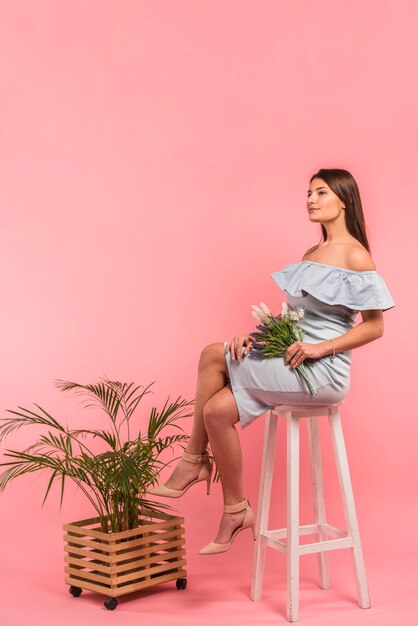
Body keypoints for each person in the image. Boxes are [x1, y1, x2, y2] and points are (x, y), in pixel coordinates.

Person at [149, 168, 395, 555]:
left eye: (321, 193)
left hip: (323, 373)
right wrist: (256, 336)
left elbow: (375, 327)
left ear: (344, 200)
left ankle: (193, 462)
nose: (310, 199)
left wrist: (321, 348)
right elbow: (296, 324)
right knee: (215, 411)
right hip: (292, 362)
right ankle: (235, 510)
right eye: (308, 193)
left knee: (211, 354)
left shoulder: (356, 254)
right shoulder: (310, 255)